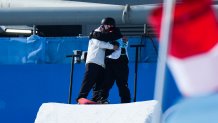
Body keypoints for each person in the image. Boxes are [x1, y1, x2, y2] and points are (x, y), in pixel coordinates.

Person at [76, 21, 119, 104]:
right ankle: (81, 98)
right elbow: (99, 43)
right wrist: (112, 47)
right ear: (103, 25)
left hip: (101, 63)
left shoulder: (105, 37)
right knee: (89, 80)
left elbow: (106, 49)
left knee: (99, 82)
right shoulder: (96, 33)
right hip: (93, 61)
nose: (108, 28)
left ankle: (96, 98)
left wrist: (113, 47)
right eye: (107, 26)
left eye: (110, 26)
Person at [91, 17, 131, 104]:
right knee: (106, 82)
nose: (107, 27)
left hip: (121, 62)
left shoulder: (115, 32)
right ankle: (102, 98)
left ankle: (125, 101)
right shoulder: (103, 33)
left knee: (122, 83)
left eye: (109, 25)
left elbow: (108, 38)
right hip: (109, 62)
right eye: (105, 25)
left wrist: (94, 34)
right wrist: (95, 34)